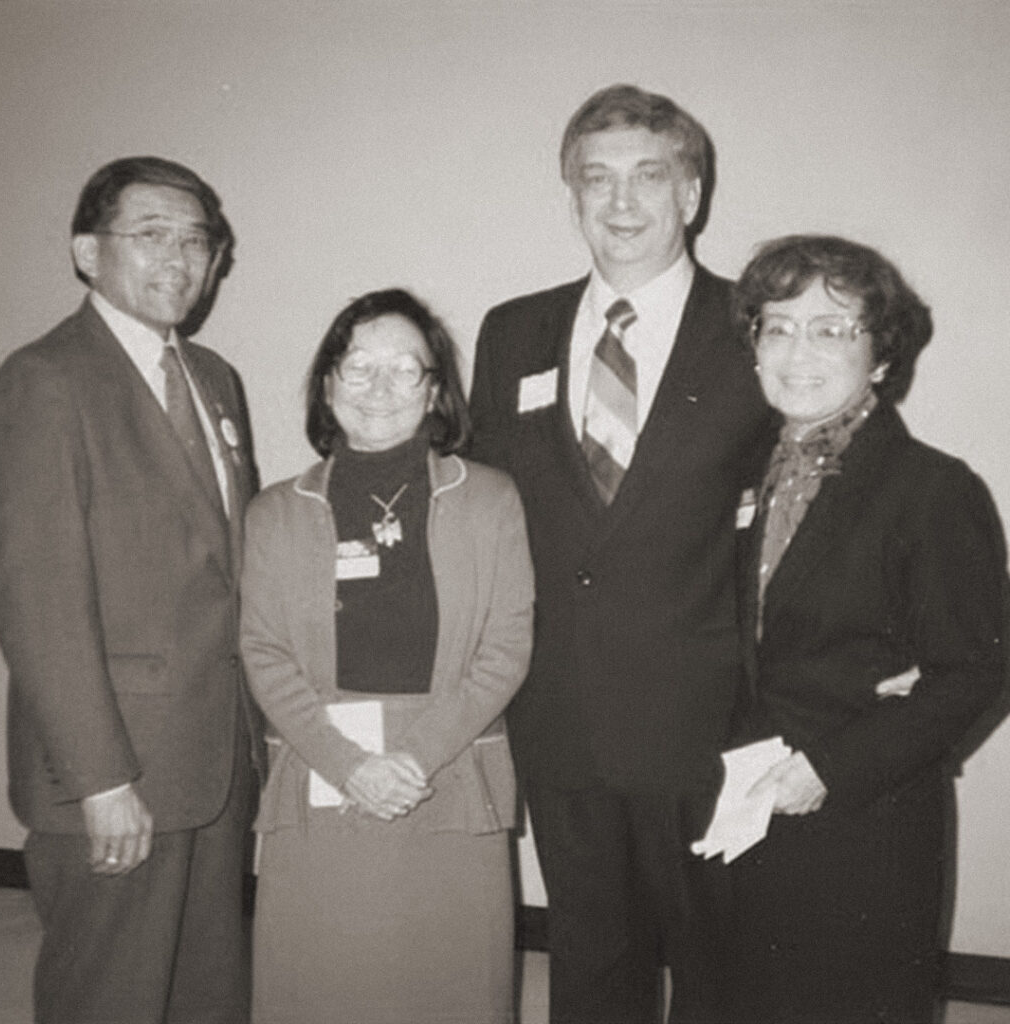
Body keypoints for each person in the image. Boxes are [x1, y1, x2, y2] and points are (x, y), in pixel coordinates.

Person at [469, 84, 774, 1023]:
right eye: (595, 179)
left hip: (708, 720)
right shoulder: (512, 329)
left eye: (650, 176)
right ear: (571, 196)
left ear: (692, 192)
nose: (622, 202)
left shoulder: (759, 330)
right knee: (591, 969)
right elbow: (484, 515)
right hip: (559, 715)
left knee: (721, 975)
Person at [0, 156, 263, 1024]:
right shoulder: (45, 381)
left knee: (203, 990)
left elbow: (225, 569)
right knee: (109, 995)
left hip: (214, 754)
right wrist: (102, 779)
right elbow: (36, 599)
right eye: (151, 235)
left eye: (197, 240)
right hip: (118, 772)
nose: (179, 258)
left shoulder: (214, 379)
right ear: (86, 251)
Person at [725, 234, 1007, 1023]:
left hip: (860, 826)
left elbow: (975, 672)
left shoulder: (933, 490)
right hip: (736, 816)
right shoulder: (738, 472)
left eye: (831, 328)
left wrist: (830, 768)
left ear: (881, 355)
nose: (797, 350)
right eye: (777, 326)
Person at [239, 287, 534, 1024]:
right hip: (322, 769)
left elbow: (505, 648)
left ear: (435, 391)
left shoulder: (491, 498)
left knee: (448, 988)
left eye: (406, 369)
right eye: (358, 366)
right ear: (328, 383)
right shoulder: (275, 511)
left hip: (450, 770)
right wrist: (350, 765)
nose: (379, 387)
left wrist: (416, 756)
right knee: (324, 985)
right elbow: (263, 651)